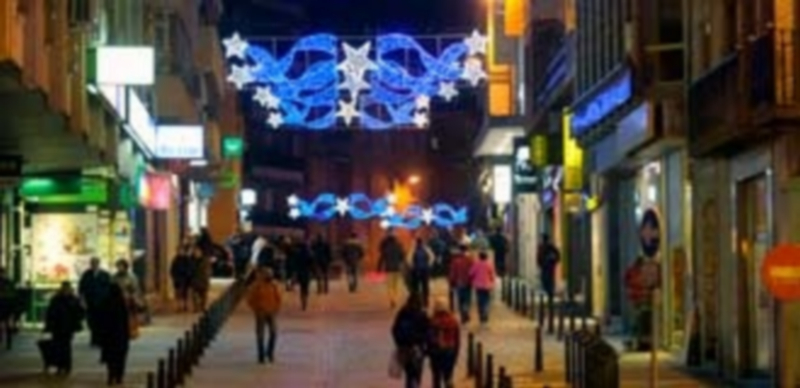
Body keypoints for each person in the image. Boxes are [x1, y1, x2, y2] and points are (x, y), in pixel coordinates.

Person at [43, 281, 84, 375]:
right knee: (64, 347)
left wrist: (48, 326)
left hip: (61, 327)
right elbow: (80, 313)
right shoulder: (72, 299)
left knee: (62, 347)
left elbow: (50, 313)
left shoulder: (57, 299)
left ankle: (62, 366)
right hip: (64, 327)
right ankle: (65, 366)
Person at [391, 293, 430, 388]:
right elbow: (428, 332)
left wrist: (399, 343)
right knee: (417, 372)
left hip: (405, 348)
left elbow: (394, 329)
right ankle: (415, 385)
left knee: (409, 373)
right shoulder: (421, 314)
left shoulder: (402, 313)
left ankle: (410, 385)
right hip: (418, 348)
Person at [98, 283, 132, 386]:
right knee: (120, 358)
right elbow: (125, 321)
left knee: (110, 358)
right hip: (120, 336)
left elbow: (101, 320)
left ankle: (111, 375)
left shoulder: (105, 302)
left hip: (109, 336)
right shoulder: (121, 303)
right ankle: (119, 377)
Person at [246, 267, 282, 364]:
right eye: (268, 274)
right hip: (260, 313)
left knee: (273, 333)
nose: (270, 276)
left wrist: (276, 309)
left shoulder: (274, 285)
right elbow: (250, 300)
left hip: (271, 313)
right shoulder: (256, 286)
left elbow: (278, 298)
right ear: (263, 275)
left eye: (271, 274)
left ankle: (270, 352)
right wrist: (256, 309)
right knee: (260, 334)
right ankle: (261, 354)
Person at [427, 298, 460, 388]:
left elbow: (429, 339)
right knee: (448, 377)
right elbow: (457, 340)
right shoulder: (453, 321)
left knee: (436, 377)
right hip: (450, 351)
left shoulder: (432, 321)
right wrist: (456, 354)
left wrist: (429, 352)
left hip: (436, 352)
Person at [78, 257, 111, 347]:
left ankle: (100, 340)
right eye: (92, 263)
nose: (94, 265)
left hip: (102, 302)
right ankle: (94, 339)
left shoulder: (105, 275)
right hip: (90, 302)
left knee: (101, 322)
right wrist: (82, 300)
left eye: (95, 263)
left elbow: (109, 288)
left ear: (98, 264)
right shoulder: (86, 275)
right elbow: (81, 288)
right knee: (92, 321)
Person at [378, 229, 407, 308]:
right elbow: (403, 256)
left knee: (389, 286)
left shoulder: (386, 247)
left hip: (388, 268)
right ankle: (395, 298)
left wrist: (379, 268)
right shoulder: (399, 245)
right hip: (397, 268)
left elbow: (382, 257)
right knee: (396, 285)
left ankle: (392, 299)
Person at [537, 233, 560, 317]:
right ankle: (549, 294)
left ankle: (549, 294)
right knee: (547, 281)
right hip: (548, 267)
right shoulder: (547, 246)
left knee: (547, 281)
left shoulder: (546, 247)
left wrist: (550, 261)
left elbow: (557, 256)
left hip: (547, 267)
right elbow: (557, 256)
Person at [448, 245, 473, 323]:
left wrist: (451, 281)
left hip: (459, 282)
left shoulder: (455, 261)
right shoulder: (470, 260)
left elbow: (452, 272)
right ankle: (466, 311)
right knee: (467, 298)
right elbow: (473, 271)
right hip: (468, 282)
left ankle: (463, 314)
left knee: (460, 299)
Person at [407, 237, 435, 307]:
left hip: (416, 271)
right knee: (425, 286)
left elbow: (409, 259)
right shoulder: (426, 249)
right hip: (425, 270)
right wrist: (428, 265)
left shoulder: (413, 249)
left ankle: (417, 301)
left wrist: (412, 267)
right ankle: (425, 301)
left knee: (416, 287)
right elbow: (432, 257)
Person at [469, 252, 496, 324]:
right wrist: (493, 283)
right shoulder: (489, 264)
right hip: (487, 285)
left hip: (478, 286)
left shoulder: (476, 264)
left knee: (480, 301)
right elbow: (492, 275)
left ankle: (481, 316)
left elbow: (471, 273)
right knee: (486, 301)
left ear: (479, 257)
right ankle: (485, 315)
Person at [290, 240, 314, 311]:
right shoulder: (309, 254)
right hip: (306, 273)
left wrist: (294, 272)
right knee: (305, 287)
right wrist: (313, 271)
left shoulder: (297, 254)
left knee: (301, 288)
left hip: (300, 272)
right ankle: (305, 300)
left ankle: (303, 300)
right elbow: (311, 264)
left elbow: (294, 264)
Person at [170, 243, 194, 312]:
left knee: (185, 294)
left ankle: (185, 306)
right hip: (178, 280)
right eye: (178, 250)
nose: (180, 252)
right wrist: (174, 276)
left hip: (185, 280)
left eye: (181, 250)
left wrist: (188, 276)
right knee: (178, 294)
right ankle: (179, 306)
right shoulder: (175, 260)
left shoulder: (186, 259)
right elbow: (172, 269)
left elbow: (190, 269)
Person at [190, 246, 212, 312]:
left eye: (197, 252)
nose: (196, 253)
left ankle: (202, 306)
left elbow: (208, 270)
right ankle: (196, 307)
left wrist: (207, 277)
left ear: (201, 253)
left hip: (203, 279)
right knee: (194, 295)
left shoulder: (205, 260)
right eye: (195, 252)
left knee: (203, 295)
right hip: (194, 280)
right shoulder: (191, 260)